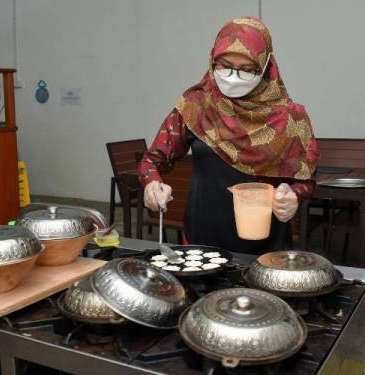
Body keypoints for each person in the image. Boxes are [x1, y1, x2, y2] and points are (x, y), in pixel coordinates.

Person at [137, 17, 319, 254]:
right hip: (202, 236)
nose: (233, 76)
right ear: (212, 60)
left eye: (247, 69)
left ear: (265, 68)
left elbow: (306, 179)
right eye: (224, 65)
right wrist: (152, 184)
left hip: (266, 242)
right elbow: (151, 160)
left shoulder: (290, 118)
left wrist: (294, 195)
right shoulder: (196, 106)